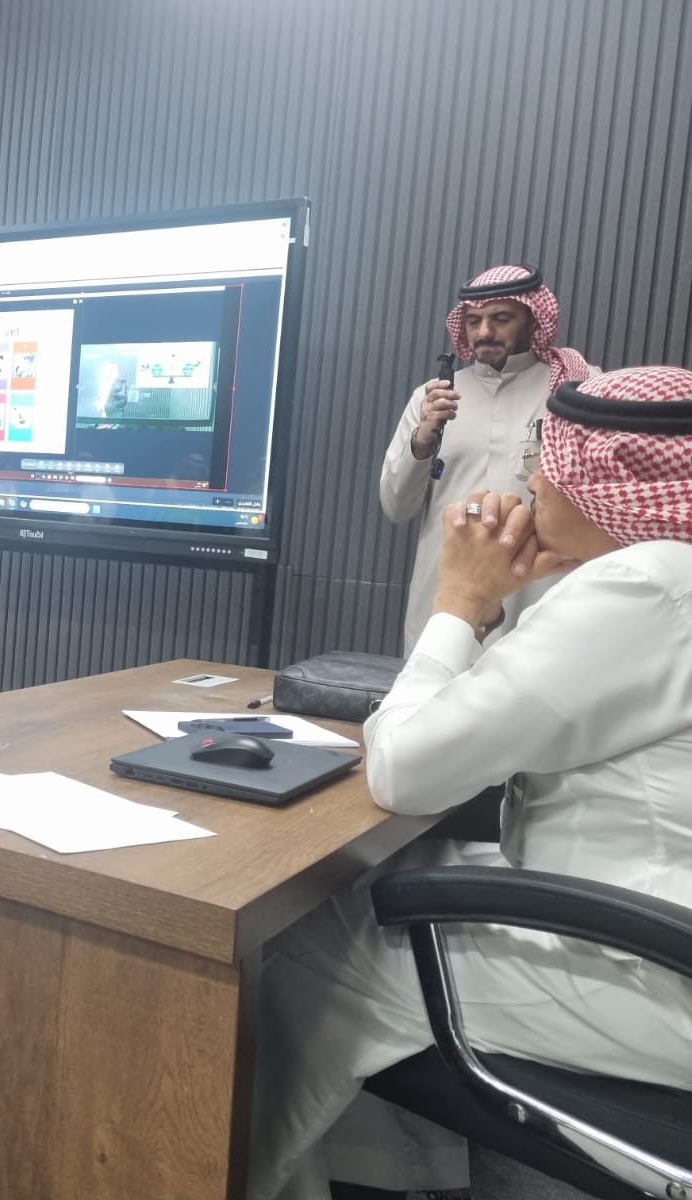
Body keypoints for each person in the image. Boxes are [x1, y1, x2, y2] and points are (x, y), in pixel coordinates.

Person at [250, 365, 692, 1200]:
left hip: (653, 969)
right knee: (388, 877)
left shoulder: (646, 585)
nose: (531, 484)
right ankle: (404, 1179)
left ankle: (234, 1177)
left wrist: (457, 599)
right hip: (644, 914)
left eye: (545, 463)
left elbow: (403, 769)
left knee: (312, 943)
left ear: (605, 483)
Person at [378, 265, 596, 652]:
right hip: (445, 600)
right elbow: (396, 506)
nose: (484, 332)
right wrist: (423, 437)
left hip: (538, 600)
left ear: (533, 319)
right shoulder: (433, 398)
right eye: (474, 321)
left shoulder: (572, 389)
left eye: (501, 318)